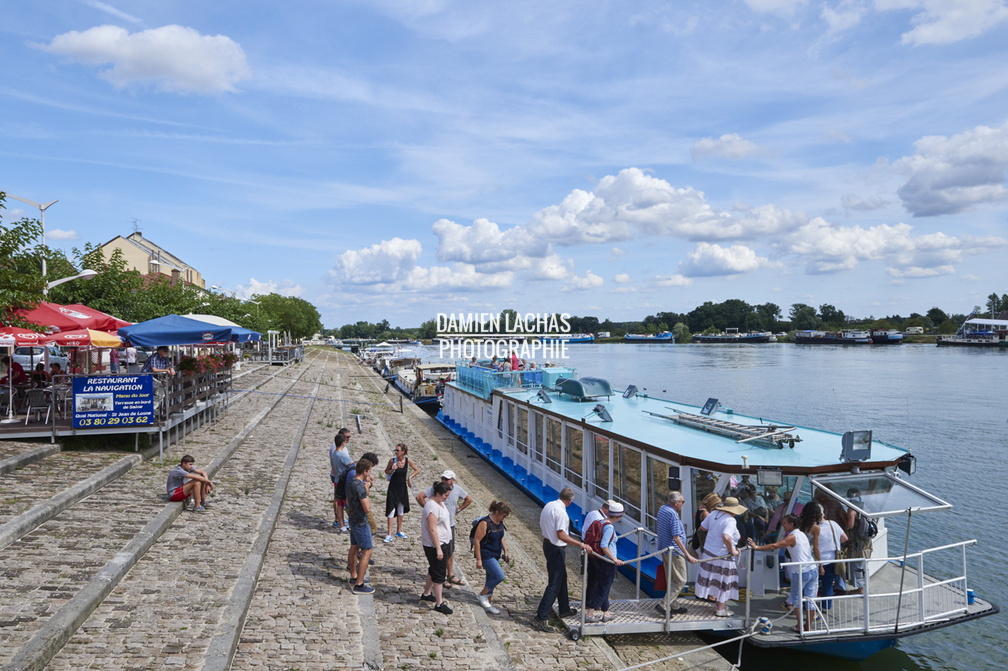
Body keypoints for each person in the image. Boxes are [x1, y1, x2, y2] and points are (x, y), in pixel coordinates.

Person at [749, 514, 817, 631]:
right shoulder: (802, 535)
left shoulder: (792, 537)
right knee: (810, 599)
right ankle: (808, 627)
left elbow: (776, 545)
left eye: (785, 523)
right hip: (812, 569)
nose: (783, 525)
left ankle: (800, 625)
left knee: (796, 598)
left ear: (791, 524)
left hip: (801, 571)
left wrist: (756, 547)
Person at [535, 487, 591, 630]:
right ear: (570, 501)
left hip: (547, 543)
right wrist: (581, 544)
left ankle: (564, 608)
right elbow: (561, 535)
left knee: (562, 578)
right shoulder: (561, 513)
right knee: (554, 583)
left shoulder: (549, 505)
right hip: (556, 548)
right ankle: (540, 617)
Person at [416, 470, 472, 586]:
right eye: (443, 479)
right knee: (439, 553)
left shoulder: (457, 489)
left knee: (450, 551)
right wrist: (429, 511)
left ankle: (450, 575)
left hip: (449, 524)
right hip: (438, 526)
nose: (444, 481)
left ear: (453, 480)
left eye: (447, 479)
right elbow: (419, 497)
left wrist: (459, 509)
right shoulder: (436, 489)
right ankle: (441, 578)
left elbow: (469, 499)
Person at [695, 496, 746, 617]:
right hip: (722, 556)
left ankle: (718, 605)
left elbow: (702, 528)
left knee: (713, 580)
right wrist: (732, 550)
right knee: (724, 582)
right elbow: (726, 537)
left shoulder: (714, 514)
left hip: (709, 552)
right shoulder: (730, 520)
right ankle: (720, 609)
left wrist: (709, 542)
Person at [655, 491, 698, 615]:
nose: (683, 505)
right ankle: (663, 605)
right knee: (681, 580)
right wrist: (687, 555)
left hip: (665, 549)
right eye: (682, 502)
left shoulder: (663, 509)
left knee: (672, 579)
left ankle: (673, 604)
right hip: (674, 552)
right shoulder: (673, 514)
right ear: (676, 503)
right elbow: (676, 537)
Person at [585, 501, 625, 622]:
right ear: (618, 516)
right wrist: (614, 559)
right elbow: (604, 545)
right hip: (607, 562)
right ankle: (590, 613)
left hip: (597, 559)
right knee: (604, 588)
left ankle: (606, 612)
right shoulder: (609, 527)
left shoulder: (600, 522)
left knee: (603, 586)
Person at [419, 481, 455, 614]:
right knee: (439, 573)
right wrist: (438, 548)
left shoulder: (440, 503)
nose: (447, 497)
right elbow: (432, 529)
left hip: (443, 542)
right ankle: (439, 603)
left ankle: (427, 594)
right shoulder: (432, 507)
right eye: (445, 495)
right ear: (438, 494)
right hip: (435, 545)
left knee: (433, 569)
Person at [473, 500, 511, 615]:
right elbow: (477, 541)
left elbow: (501, 537)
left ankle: (488, 604)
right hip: (486, 554)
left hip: (496, 554)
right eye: (503, 515)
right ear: (497, 512)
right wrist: (479, 560)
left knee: (491, 579)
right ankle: (482, 595)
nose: (504, 517)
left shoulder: (499, 522)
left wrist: (505, 551)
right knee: (499, 576)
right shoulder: (485, 523)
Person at [346, 457, 376, 594]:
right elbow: (367, 508)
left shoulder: (351, 482)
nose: (370, 474)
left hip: (352, 518)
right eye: (369, 471)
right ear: (364, 471)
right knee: (367, 551)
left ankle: (353, 575)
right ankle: (359, 583)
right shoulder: (359, 486)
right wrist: (367, 488)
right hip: (361, 522)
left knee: (354, 546)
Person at [813, 503, 848, 609]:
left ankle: (809, 605)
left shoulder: (815, 528)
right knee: (828, 584)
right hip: (833, 559)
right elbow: (845, 538)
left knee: (812, 584)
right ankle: (826, 606)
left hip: (819, 561)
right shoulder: (833, 524)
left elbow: (814, 546)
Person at [383, 443, 419, 542]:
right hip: (393, 488)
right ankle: (389, 533)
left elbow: (417, 470)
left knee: (400, 510)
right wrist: (391, 470)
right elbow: (386, 471)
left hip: (402, 488)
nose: (396, 452)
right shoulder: (392, 461)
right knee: (391, 510)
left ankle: (399, 530)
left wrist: (410, 478)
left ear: (403, 452)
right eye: (395, 450)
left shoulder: (407, 461)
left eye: (397, 450)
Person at [329, 431, 353, 531]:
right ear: (342, 443)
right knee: (347, 502)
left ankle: (341, 525)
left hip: (337, 479)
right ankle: (352, 522)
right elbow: (352, 465)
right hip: (344, 481)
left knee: (339, 504)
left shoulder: (334, 453)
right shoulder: (341, 455)